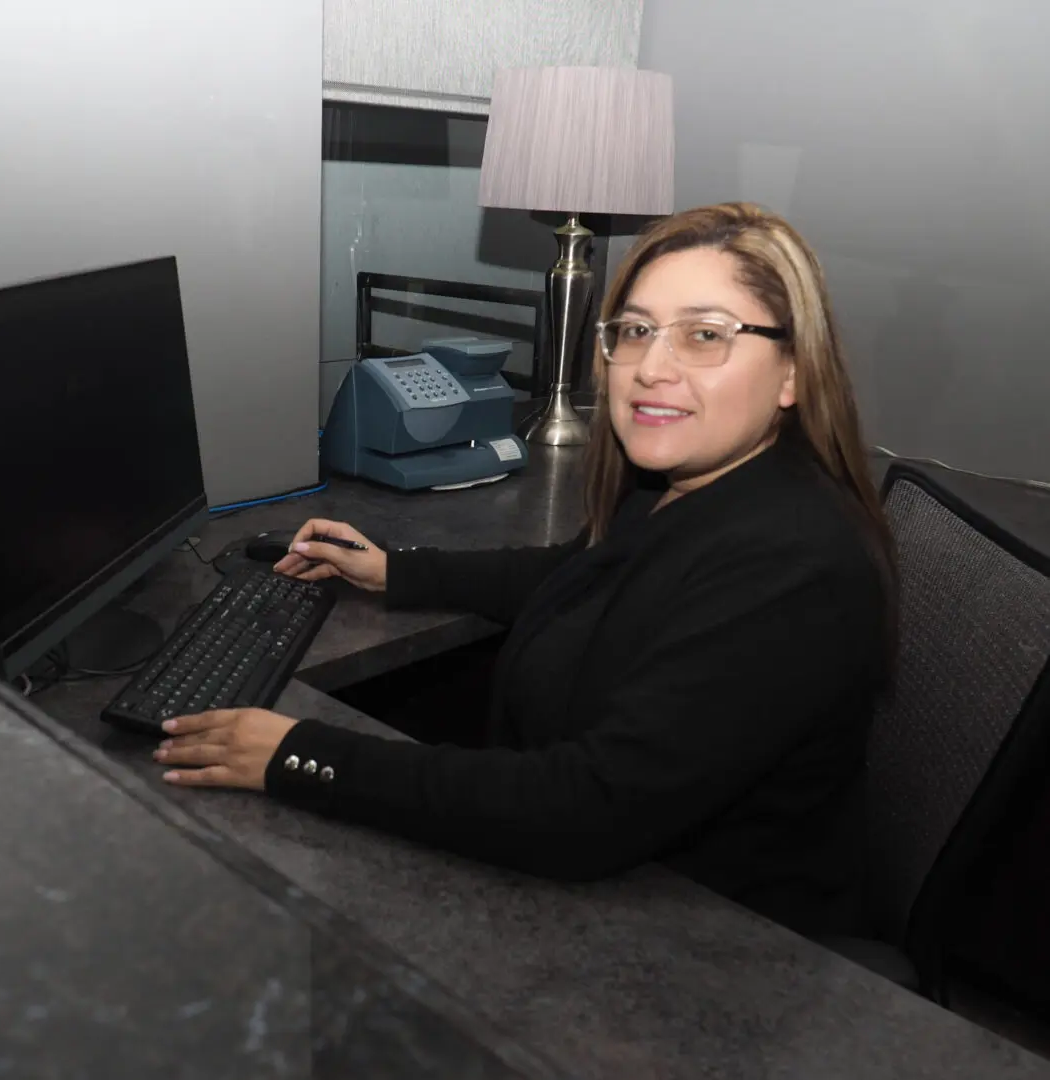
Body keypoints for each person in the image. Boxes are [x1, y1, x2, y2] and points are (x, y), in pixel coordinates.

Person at [153, 203, 896, 938]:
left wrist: (298, 755)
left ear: (794, 372)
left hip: (711, 944)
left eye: (705, 335)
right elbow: (576, 576)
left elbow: (580, 812)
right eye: (634, 331)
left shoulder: (791, 566)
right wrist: (397, 571)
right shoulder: (684, 490)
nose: (650, 368)